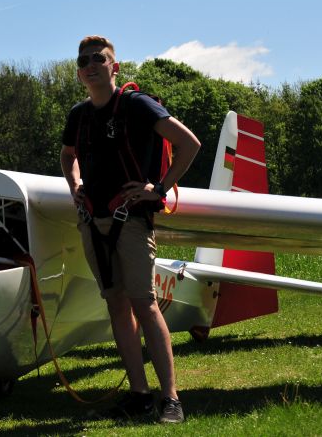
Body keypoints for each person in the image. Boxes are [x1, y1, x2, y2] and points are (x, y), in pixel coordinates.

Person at [60, 35, 200, 424]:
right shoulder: (79, 115)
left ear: (113, 67)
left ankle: (170, 398)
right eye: (83, 61)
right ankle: (139, 395)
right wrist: (75, 189)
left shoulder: (137, 105)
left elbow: (189, 144)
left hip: (131, 221)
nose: (90, 65)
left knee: (145, 302)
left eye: (98, 59)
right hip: (92, 221)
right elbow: (68, 155)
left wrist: (159, 187)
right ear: (79, 71)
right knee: (116, 305)